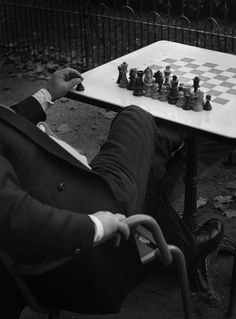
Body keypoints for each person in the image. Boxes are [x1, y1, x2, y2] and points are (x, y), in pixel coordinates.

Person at [0, 68, 223, 318]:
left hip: (67, 189)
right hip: (91, 219)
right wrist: (97, 226)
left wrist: (45, 95)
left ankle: (184, 241)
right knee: (135, 116)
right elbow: (14, 217)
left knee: (146, 163)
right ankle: (187, 247)